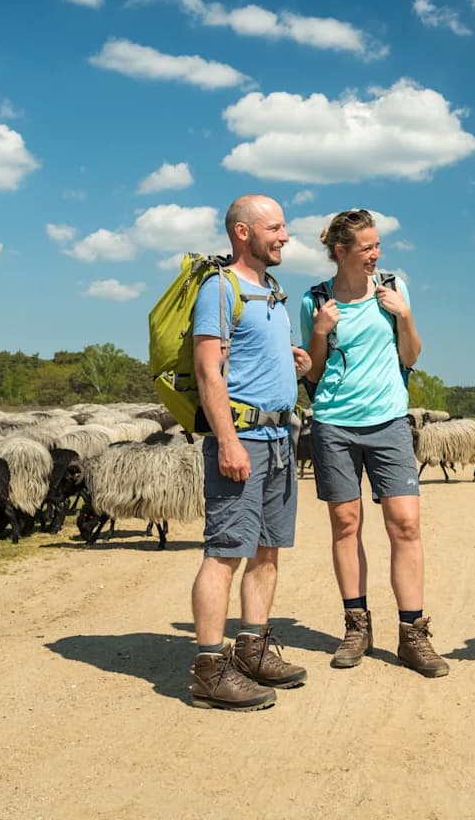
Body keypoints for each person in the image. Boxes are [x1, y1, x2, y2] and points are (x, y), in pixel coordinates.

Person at [301, 208, 448, 678]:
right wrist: (320, 332)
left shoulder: (393, 287)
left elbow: (411, 355)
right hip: (334, 424)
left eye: (377, 245)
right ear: (340, 251)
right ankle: (356, 628)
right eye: (367, 247)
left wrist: (405, 316)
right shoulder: (315, 299)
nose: (376, 254)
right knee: (346, 525)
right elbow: (314, 373)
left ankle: (413, 635)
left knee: (406, 525)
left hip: (388, 423)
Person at [187, 194, 313, 712]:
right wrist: (228, 441)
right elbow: (207, 371)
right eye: (275, 228)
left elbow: (249, 358)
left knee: (266, 551)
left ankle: (253, 650)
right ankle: (209, 670)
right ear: (243, 232)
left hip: (280, 441)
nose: (285, 236)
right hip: (243, 441)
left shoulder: (272, 292)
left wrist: (292, 362)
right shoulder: (220, 289)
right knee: (225, 554)